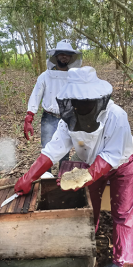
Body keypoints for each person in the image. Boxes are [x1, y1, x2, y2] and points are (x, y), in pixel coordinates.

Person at [14, 66, 133, 267]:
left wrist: (85, 176)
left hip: (123, 164)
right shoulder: (68, 119)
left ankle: (124, 261)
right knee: (90, 205)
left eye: (86, 101)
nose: (81, 106)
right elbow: (54, 150)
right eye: (77, 101)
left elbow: (112, 155)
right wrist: (29, 176)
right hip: (92, 165)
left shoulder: (117, 116)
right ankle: (88, 237)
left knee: (123, 212)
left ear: (98, 98)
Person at [24, 39, 82, 174]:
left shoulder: (74, 77)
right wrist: (29, 116)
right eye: (61, 53)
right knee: (47, 151)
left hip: (67, 118)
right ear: (55, 56)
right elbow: (36, 95)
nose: (64, 56)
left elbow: (79, 97)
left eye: (67, 54)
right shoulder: (45, 76)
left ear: (71, 57)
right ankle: (46, 181)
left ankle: (62, 182)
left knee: (64, 152)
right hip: (49, 117)